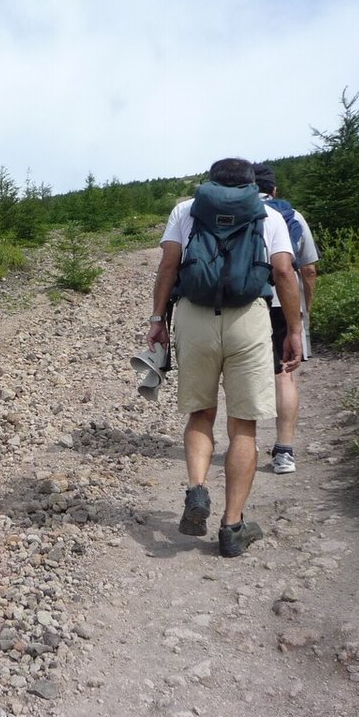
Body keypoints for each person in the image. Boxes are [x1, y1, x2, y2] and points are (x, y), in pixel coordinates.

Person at [145, 158, 303, 557]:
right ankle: (232, 526)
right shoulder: (268, 213)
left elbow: (168, 264)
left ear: (210, 181)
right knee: (243, 426)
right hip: (248, 318)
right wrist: (295, 330)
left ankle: (197, 488)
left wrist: (157, 320)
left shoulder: (186, 209)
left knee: (200, 413)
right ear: (252, 184)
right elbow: (284, 272)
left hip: (194, 317)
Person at [253, 164, 319, 475]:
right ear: (274, 190)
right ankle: (284, 452)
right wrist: (304, 312)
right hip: (283, 302)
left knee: (245, 374)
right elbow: (307, 270)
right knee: (284, 375)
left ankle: (243, 446)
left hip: (246, 301)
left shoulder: (241, 213)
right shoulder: (291, 216)